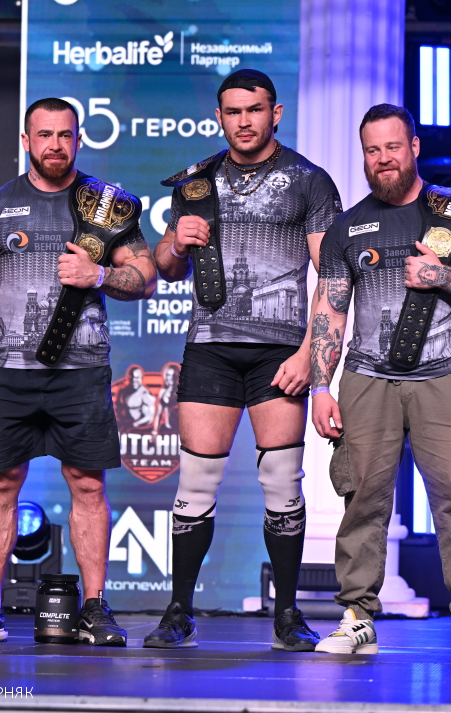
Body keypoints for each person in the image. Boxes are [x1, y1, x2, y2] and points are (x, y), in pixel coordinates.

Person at [144, 69, 342, 651]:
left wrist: (310, 356)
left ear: (275, 113)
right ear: (219, 117)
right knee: (196, 481)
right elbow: (165, 268)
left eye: (254, 110)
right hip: (209, 347)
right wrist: (175, 240)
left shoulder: (310, 181)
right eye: (233, 112)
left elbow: (332, 277)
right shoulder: (196, 181)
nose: (244, 121)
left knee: (282, 481)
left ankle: (288, 615)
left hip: (280, 352)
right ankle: (179, 612)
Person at [310, 104, 451, 657]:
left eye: (393, 147)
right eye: (372, 150)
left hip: (446, 376)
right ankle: (357, 616)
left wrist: (440, 274)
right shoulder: (347, 227)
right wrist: (320, 387)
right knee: (361, 498)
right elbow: (330, 310)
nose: (383, 159)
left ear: (415, 147)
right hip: (367, 379)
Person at [0, 98, 156, 645]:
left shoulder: (109, 205)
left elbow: (146, 277)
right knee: (1, 485)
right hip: (7, 372)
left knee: (87, 484)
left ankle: (94, 608)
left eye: (65, 135)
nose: (55, 145)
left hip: (80, 372)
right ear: (26, 140)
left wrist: (98, 275)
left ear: (79, 140)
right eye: (44, 135)